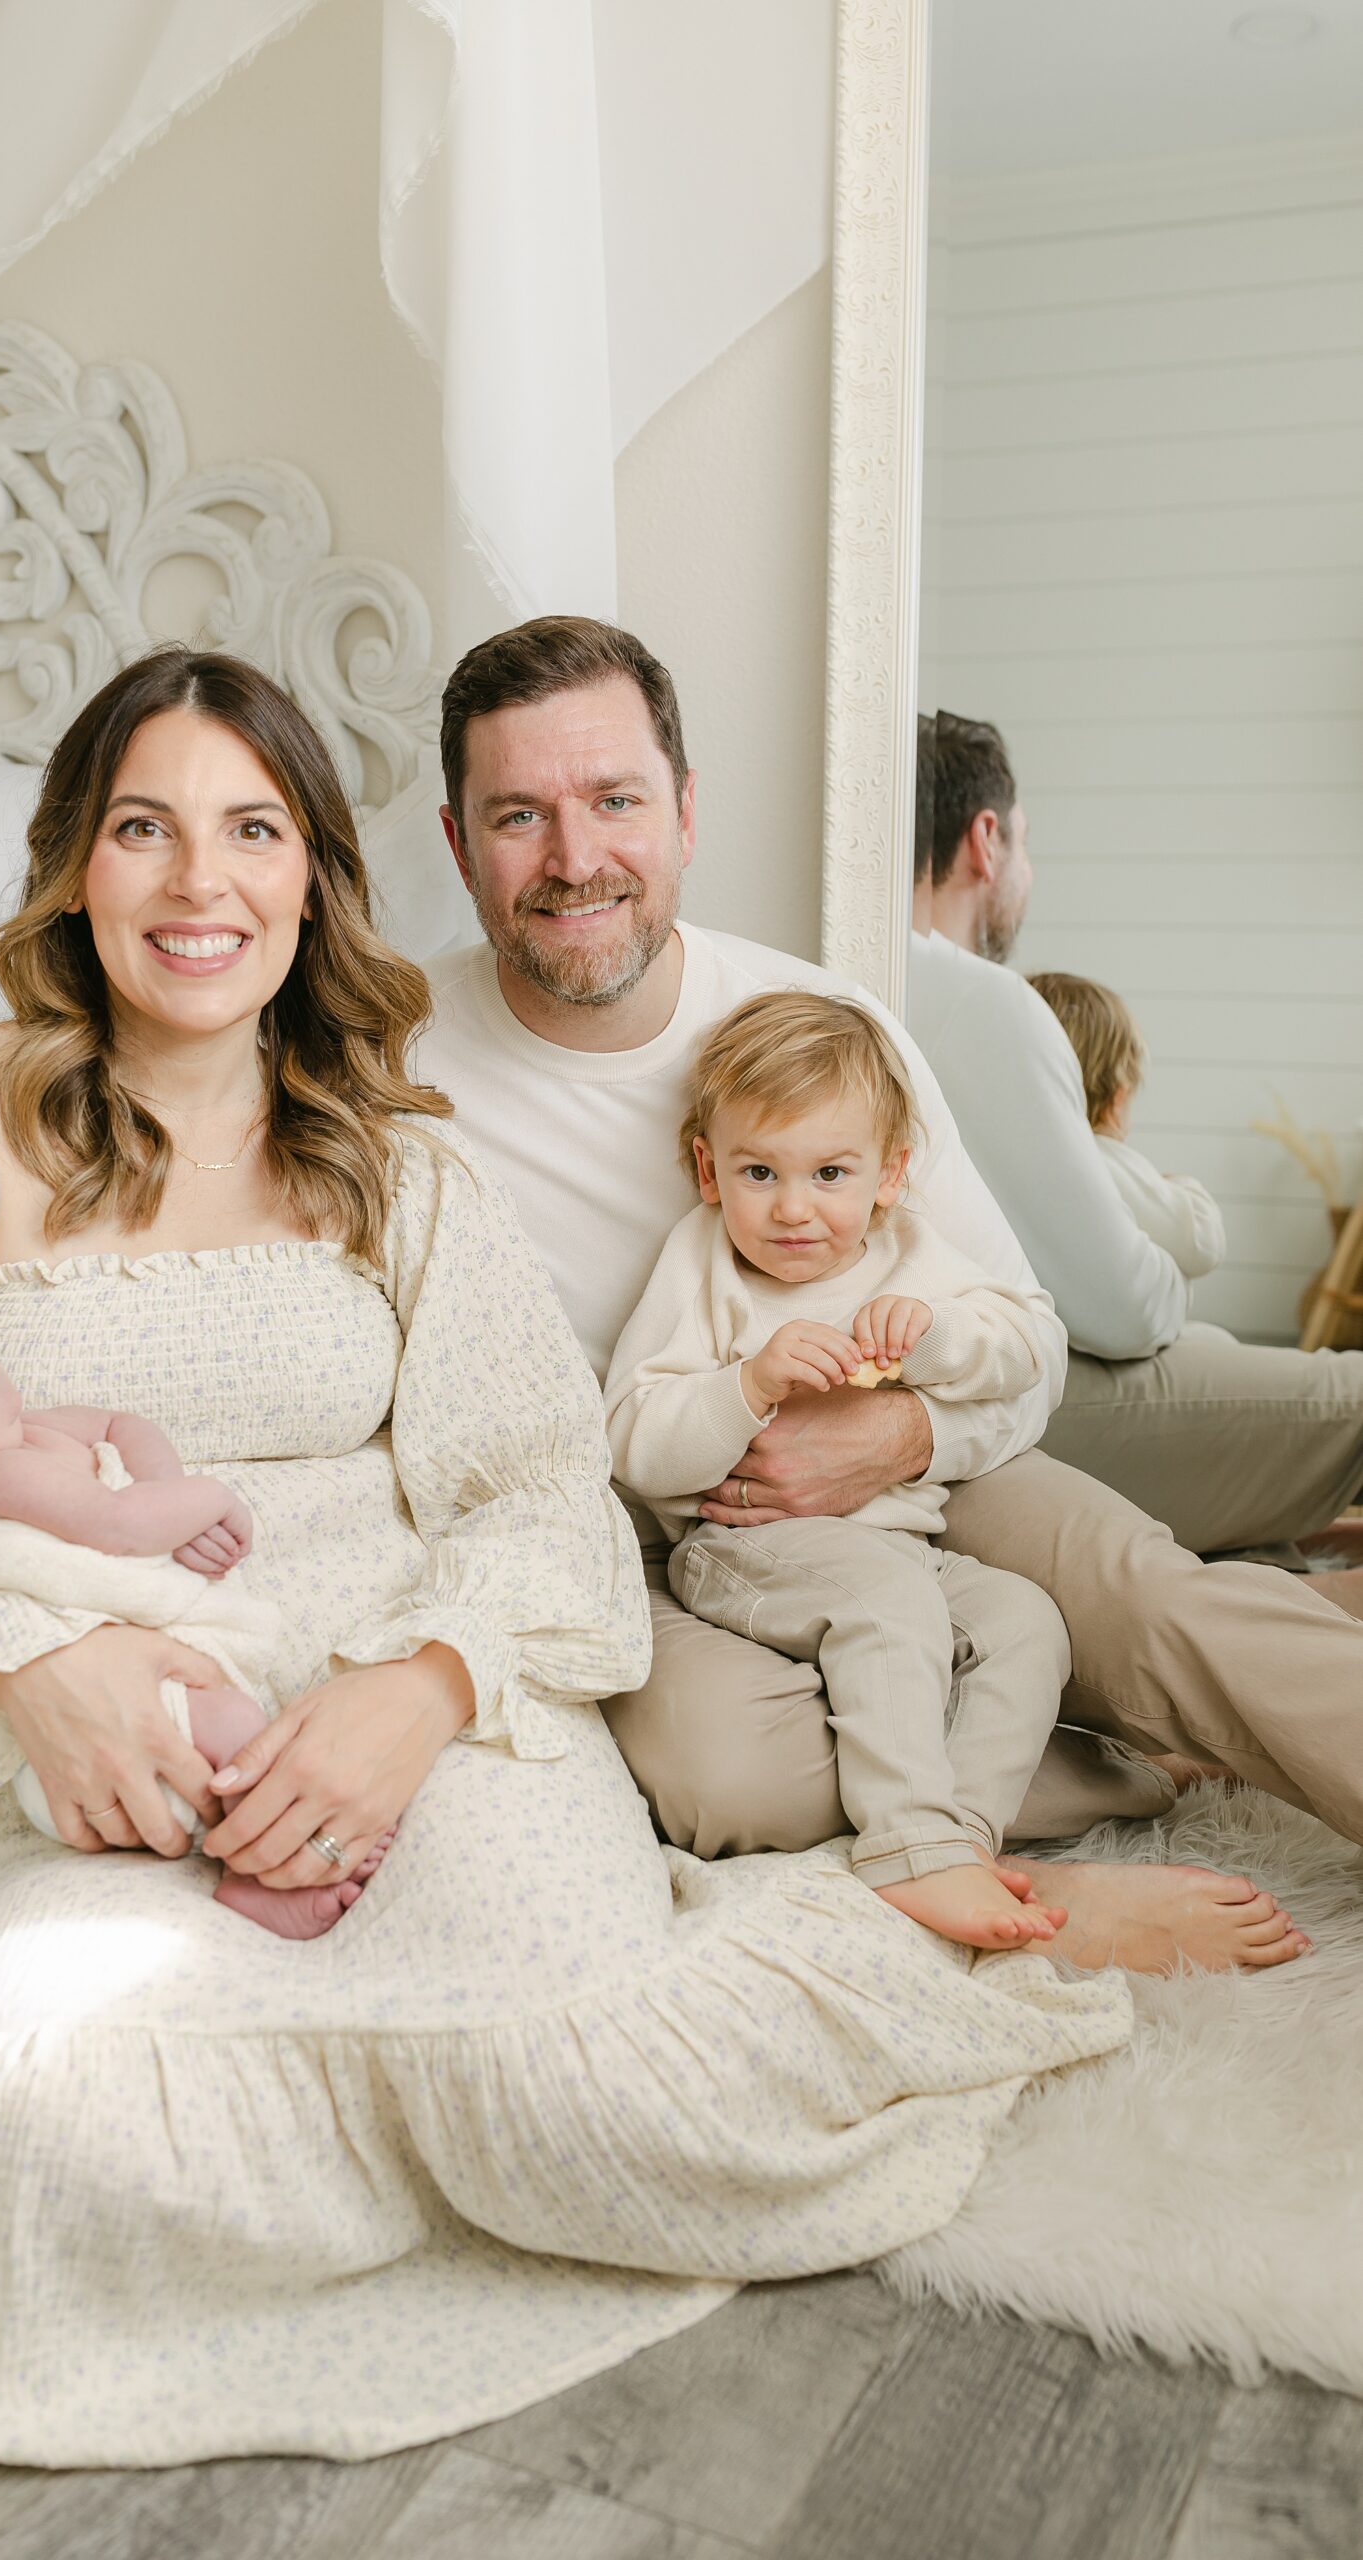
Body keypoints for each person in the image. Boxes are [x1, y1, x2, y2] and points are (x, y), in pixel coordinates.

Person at [0, 647, 1132, 2468]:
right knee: (64, 2107)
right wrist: (33, 1667)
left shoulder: (394, 1159)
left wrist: (420, 1694)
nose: (197, 882)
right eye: (142, 829)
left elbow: (543, 1490)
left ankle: (924, 1929)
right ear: (71, 864)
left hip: (431, 1694)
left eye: (251, 830)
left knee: (605, 2092)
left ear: (314, 875)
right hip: (109, 1739)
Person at [417, 612, 1354, 1961]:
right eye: (517, 816)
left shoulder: (816, 1022)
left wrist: (901, 1430)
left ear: (682, 813)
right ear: (457, 842)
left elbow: (1023, 1336)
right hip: (657, 1533)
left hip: (922, 1464)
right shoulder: (387, 1059)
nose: (575, 860)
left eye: (613, 800)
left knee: (1146, 1606)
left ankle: (1149, 1715)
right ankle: (1088, 1789)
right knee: (716, 1776)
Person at [606, 990, 1088, 1953]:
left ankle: (956, 1841)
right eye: (758, 1171)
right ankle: (908, 1840)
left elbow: (1024, 1345)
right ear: (709, 1170)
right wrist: (746, 1384)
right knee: (884, 1606)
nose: (793, 1208)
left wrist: (938, 1337)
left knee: (1024, 1626)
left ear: (889, 1174)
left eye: (830, 1172)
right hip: (742, 1545)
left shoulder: (914, 1256)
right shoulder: (702, 1264)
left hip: (899, 1548)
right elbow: (631, 1439)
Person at [908, 711, 1363, 1573]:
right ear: (985, 840)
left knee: (1245, 1462)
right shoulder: (982, 1006)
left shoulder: (847, 974)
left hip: (951, 1380)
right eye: (1027, 847)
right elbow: (1129, 1312)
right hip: (1016, 1401)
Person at [0, 1328, 391, 1938]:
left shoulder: (28, 1434)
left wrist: (163, 1492)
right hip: (96, 1741)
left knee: (245, 1723)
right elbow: (117, 1526)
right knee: (234, 1727)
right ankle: (262, 1874)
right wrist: (206, 1500)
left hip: (115, 1711)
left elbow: (123, 1427)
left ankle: (274, 1839)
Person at [1026, 969, 1226, 1298]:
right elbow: (1204, 1240)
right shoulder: (1102, 1159)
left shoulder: (1012, 1154)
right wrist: (1176, 1184)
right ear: (1118, 1098)